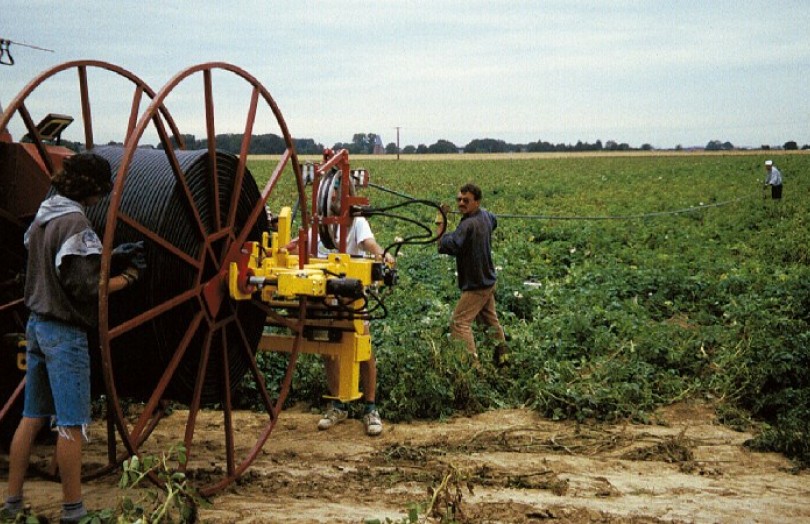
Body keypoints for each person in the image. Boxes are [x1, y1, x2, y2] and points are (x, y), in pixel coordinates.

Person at [2, 153, 140, 523]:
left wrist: (106, 256)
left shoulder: (45, 214)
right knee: (71, 425)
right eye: (101, 190)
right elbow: (84, 287)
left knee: (31, 418)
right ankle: (73, 512)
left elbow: (54, 263)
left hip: (36, 326)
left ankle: (12, 504)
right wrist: (126, 279)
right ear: (91, 188)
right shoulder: (76, 222)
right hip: (65, 334)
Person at [287, 216, 394, 436]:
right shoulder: (320, 224)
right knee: (329, 348)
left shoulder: (358, 223)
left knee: (363, 347)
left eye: (337, 193)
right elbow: (300, 246)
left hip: (351, 295)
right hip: (326, 295)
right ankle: (338, 404)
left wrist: (381, 255)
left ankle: (370, 407)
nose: (333, 198)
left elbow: (369, 244)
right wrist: (284, 251)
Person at [437, 183, 508, 368]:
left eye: (466, 200)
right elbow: (494, 221)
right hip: (488, 280)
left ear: (476, 202)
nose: (461, 203)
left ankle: (471, 368)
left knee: (459, 323)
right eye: (459, 199)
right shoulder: (485, 215)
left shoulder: (468, 224)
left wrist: (441, 222)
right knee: (490, 321)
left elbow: (445, 245)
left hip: (477, 284)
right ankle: (503, 359)